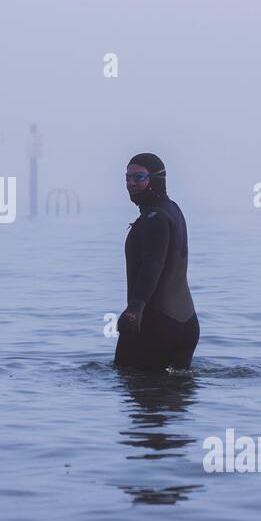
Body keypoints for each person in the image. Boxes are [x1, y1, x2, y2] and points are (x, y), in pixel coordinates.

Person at [114, 153, 199, 371]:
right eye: (127, 178)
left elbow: (154, 264)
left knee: (135, 389)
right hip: (186, 324)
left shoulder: (156, 218)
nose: (131, 183)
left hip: (155, 323)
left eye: (139, 177)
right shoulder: (173, 210)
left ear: (157, 179)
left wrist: (134, 308)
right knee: (173, 396)